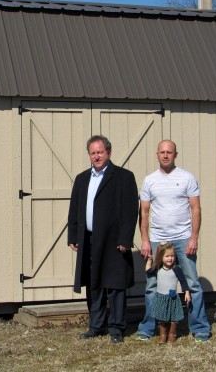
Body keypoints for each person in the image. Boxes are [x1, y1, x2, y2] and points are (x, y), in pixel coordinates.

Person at [136, 140, 211, 343]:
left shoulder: (186, 177)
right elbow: (143, 212)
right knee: (152, 285)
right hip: (157, 240)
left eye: (169, 152)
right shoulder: (149, 180)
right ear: (157, 154)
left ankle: (200, 327)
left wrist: (194, 237)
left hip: (183, 237)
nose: (166, 155)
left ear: (175, 154)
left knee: (192, 283)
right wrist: (144, 240)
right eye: (162, 152)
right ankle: (149, 327)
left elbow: (196, 209)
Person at [67, 135, 138, 344]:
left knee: (115, 285)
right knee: (93, 283)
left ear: (109, 153)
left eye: (100, 152)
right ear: (89, 155)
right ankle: (96, 326)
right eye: (93, 153)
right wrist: (73, 235)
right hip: (89, 239)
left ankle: (116, 328)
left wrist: (126, 238)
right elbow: (74, 209)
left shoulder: (124, 177)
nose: (96, 156)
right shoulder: (82, 179)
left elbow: (130, 210)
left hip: (114, 240)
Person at [145, 242, 191, 344]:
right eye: (167, 256)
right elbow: (148, 271)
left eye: (172, 256)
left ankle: (172, 334)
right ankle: (163, 335)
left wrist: (187, 293)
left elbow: (183, 281)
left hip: (172, 298)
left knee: (173, 317)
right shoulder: (158, 268)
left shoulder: (176, 269)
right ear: (161, 257)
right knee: (162, 317)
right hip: (161, 298)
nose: (170, 258)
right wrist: (149, 260)